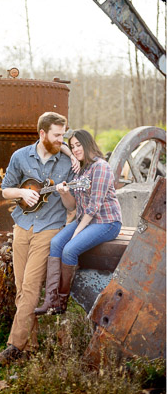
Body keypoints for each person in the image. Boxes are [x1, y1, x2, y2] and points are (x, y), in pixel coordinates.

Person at [0, 111, 75, 365]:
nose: (63, 139)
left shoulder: (66, 164)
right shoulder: (20, 156)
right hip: (22, 225)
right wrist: (22, 193)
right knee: (21, 288)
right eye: (58, 135)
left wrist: (64, 193)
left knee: (29, 287)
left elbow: (71, 206)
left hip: (49, 229)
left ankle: (14, 346)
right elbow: (6, 190)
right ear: (42, 134)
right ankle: (31, 347)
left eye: (64, 134)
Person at [34, 129, 122, 315]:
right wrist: (64, 193)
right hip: (85, 219)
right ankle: (50, 298)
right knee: (56, 242)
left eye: (78, 145)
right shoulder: (80, 170)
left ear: (88, 144)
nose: (75, 150)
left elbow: (94, 207)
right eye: (72, 146)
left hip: (106, 222)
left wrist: (76, 232)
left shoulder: (101, 167)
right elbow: (72, 206)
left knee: (70, 249)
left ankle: (61, 302)